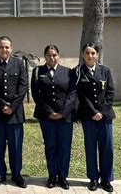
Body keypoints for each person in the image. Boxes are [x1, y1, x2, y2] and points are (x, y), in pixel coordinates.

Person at [0, 36, 28, 188]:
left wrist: (12, 106)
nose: (4, 50)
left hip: (15, 114)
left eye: (7, 47)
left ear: (11, 48)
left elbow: (23, 87)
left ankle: (16, 175)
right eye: (2, 47)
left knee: (16, 147)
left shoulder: (19, 63)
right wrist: (2, 105)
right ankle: (0, 174)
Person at [31, 45, 77, 190]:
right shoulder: (38, 71)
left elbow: (72, 93)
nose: (52, 58)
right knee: (50, 146)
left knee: (64, 147)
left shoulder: (68, 72)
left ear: (59, 56)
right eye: (49, 55)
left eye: (55, 55)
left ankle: (63, 177)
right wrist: (49, 111)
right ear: (45, 56)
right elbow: (36, 93)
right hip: (46, 116)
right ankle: (52, 176)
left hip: (65, 117)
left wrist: (62, 112)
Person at [76, 43, 115, 193]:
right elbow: (81, 95)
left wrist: (102, 112)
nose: (90, 56)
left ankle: (106, 179)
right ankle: (93, 178)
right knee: (90, 147)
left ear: (97, 55)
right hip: (88, 116)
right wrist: (93, 112)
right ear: (83, 55)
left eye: (93, 53)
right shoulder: (78, 72)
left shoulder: (105, 71)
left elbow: (110, 93)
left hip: (105, 117)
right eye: (87, 53)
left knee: (107, 148)